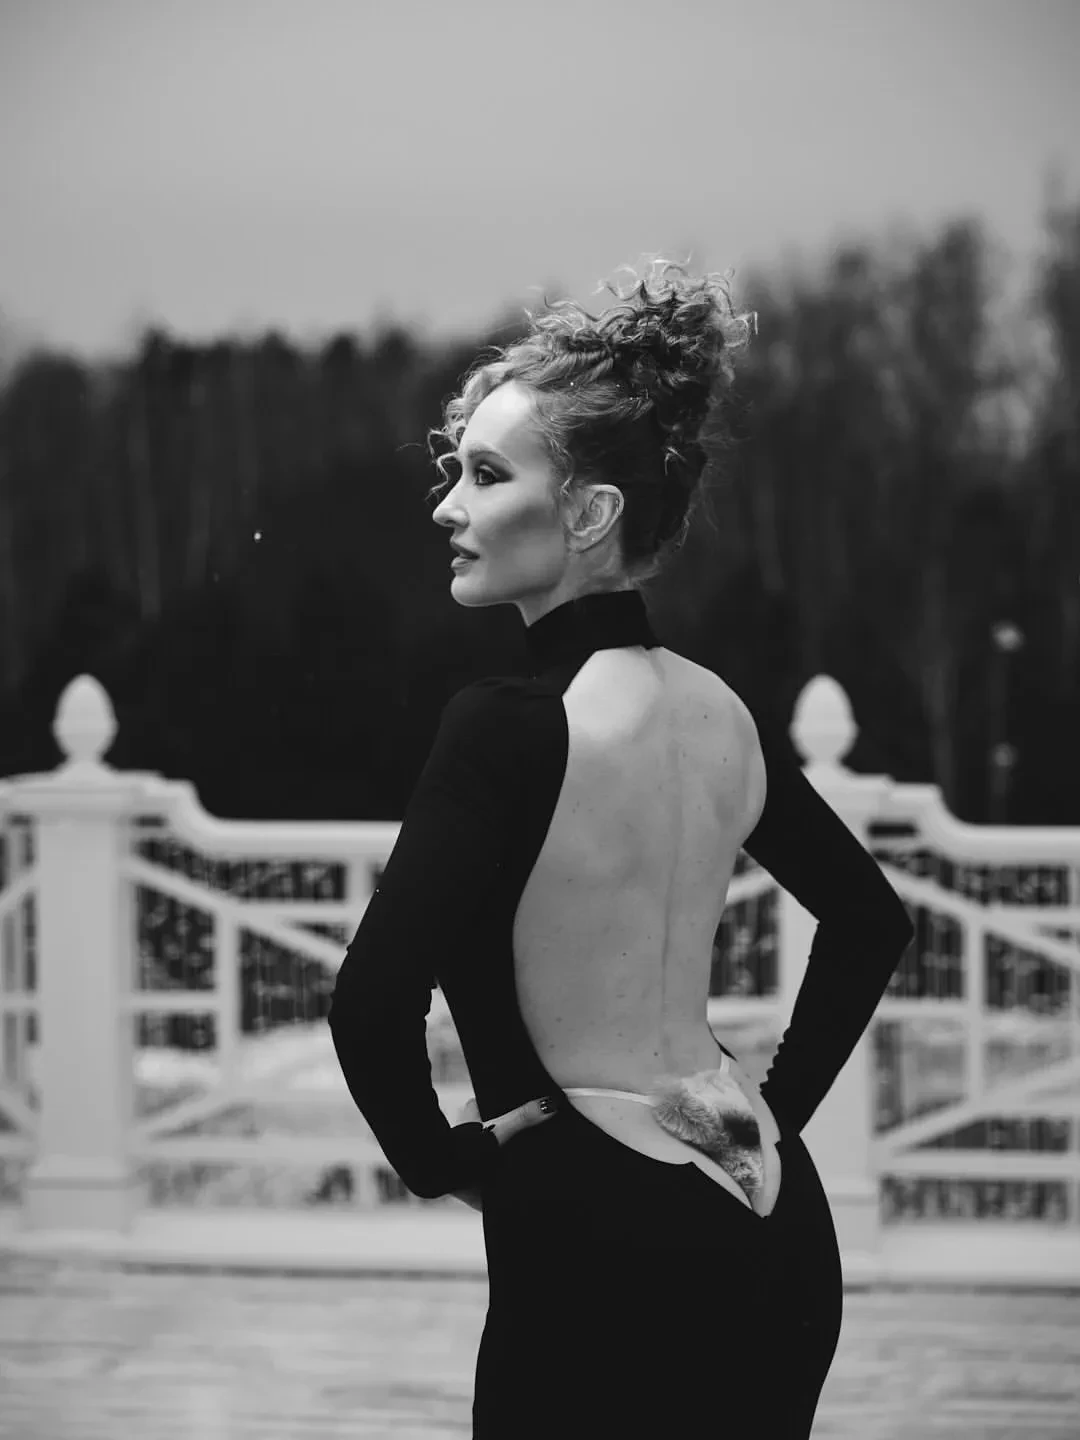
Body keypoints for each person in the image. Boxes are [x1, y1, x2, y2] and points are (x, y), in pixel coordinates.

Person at [328, 257, 914, 1437]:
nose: (446, 507)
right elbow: (870, 922)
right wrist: (774, 1115)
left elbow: (371, 1003)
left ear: (591, 515)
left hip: (591, 1244)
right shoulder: (720, 712)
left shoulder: (502, 727)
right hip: (769, 1217)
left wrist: (441, 1161)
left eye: (486, 475)